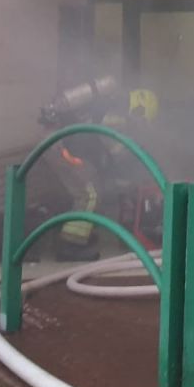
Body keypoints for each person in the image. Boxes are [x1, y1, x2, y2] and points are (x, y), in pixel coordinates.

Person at [39, 76, 161, 259]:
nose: (138, 123)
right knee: (90, 194)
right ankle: (70, 246)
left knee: (90, 189)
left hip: (58, 144)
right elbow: (115, 148)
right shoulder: (116, 116)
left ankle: (78, 237)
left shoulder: (109, 105)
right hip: (62, 148)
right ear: (138, 108)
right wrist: (136, 158)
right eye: (140, 119)